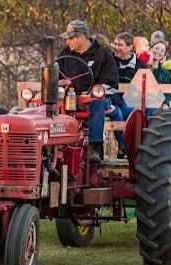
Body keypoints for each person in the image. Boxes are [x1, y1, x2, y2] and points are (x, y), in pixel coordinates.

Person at [57, 20, 121, 163]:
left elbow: (111, 83)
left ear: (81, 37)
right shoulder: (65, 54)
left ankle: (95, 149)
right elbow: (55, 74)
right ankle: (56, 147)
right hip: (69, 99)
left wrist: (95, 91)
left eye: (70, 38)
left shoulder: (102, 54)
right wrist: (58, 83)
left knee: (96, 103)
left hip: (96, 99)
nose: (68, 42)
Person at [112, 32, 148, 119]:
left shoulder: (140, 64)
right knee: (127, 112)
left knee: (152, 110)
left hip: (134, 101)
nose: (116, 47)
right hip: (116, 101)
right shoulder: (110, 60)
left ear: (130, 47)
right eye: (115, 44)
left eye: (120, 45)